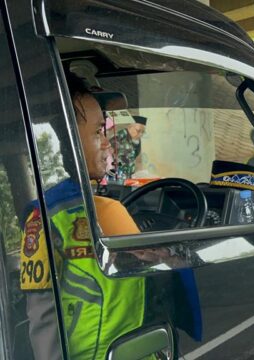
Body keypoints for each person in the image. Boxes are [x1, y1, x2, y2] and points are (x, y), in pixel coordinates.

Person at [20, 72, 146, 359]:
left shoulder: (40, 213)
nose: (106, 143)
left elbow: (41, 318)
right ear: (68, 141)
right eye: (98, 131)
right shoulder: (108, 212)